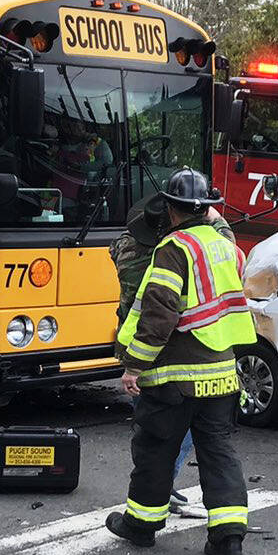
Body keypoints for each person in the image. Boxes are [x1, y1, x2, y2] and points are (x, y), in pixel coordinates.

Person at [105, 170, 256, 555]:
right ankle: (228, 538)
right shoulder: (222, 244)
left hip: (175, 376)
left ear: (170, 209)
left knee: (155, 450)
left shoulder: (174, 248)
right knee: (218, 452)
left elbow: (159, 314)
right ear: (207, 208)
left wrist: (133, 367)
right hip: (222, 374)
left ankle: (141, 526)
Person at [112, 191, 203, 518]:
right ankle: (160, 486)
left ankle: (149, 486)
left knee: (148, 425)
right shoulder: (166, 259)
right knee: (179, 427)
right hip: (159, 350)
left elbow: (125, 237)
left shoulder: (124, 249)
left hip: (130, 345)